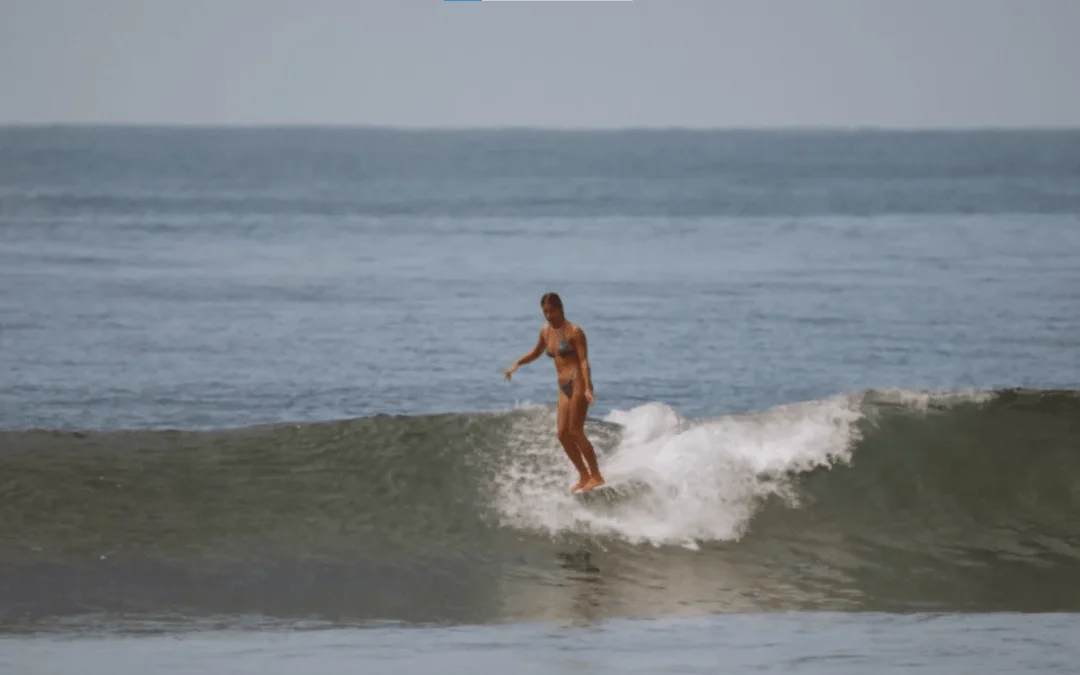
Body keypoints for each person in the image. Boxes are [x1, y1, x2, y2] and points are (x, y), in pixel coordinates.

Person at [504, 292, 605, 493]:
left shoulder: (575, 332)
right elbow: (536, 352)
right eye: (545, 312)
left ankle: (596, 476)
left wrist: (588, 386)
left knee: (575, 431)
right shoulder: (545, 331)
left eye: (551, 311)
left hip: (577, 381)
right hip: (563, 386)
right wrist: (517, 363)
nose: (548, 315)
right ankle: (584, 475)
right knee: (562, 434)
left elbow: (584, 361)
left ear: (560, 309)